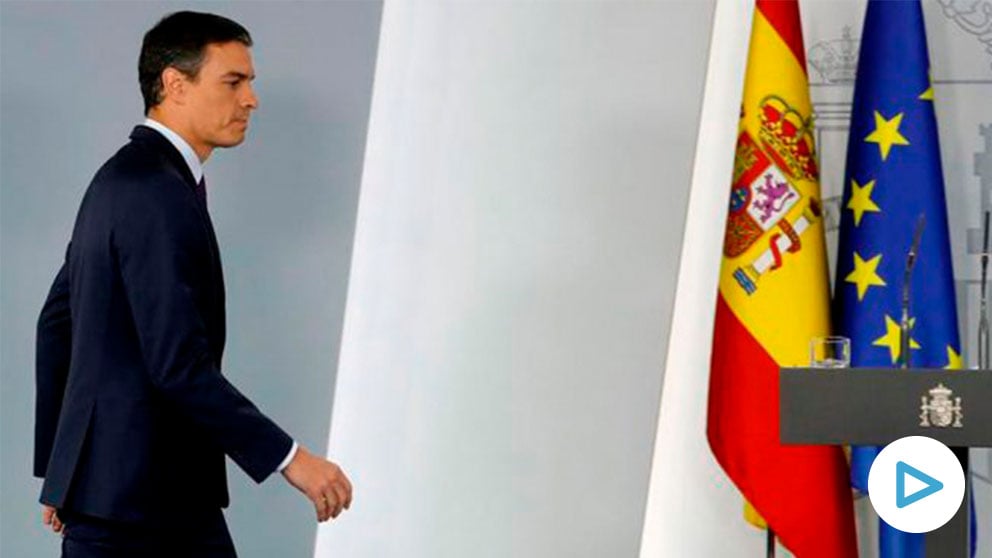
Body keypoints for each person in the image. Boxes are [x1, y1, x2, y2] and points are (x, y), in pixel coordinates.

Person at [33, 11, 352, 557]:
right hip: (142, 512)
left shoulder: (123, 179)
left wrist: (65, 472)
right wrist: (291, 459)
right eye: (233, 81)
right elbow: (176, 365)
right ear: (174, 85)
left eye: (250, 83)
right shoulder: (156, 192)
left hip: (137, 501)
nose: (250, 99)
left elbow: (56, 322)